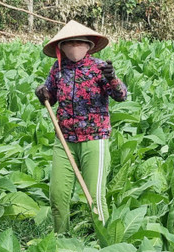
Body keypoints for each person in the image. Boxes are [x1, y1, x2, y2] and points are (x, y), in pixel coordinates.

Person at [34, 20, 127, 233]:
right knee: (57, 196)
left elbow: (121, 95)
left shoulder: (99, 67)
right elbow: (51, 96)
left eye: (79, 42)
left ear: (88, 45)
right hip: (64, 138)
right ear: (62, 47)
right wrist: (43, 93)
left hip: (94, 138)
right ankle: (62, 240)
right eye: (69, 43)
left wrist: (112, 78)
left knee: (94, 197)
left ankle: (106, 243)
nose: (74, 47)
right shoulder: (57, 69)